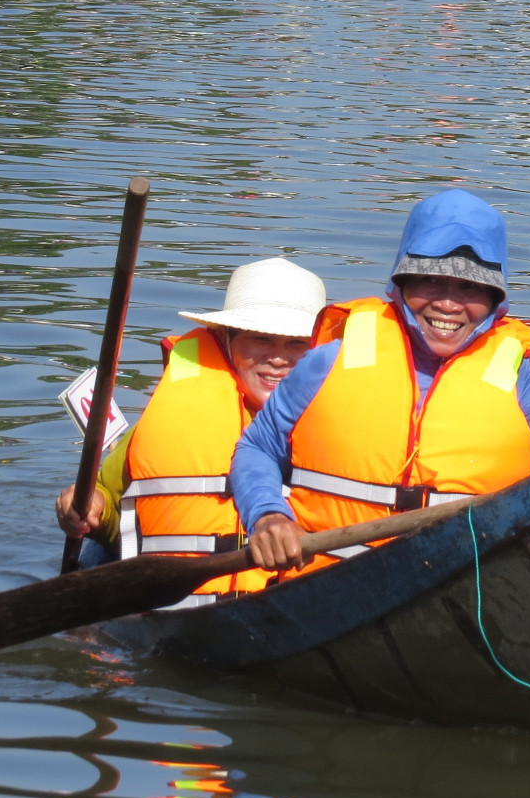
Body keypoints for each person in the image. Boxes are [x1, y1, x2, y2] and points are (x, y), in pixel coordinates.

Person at [233, 190, 530, 574]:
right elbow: (257, 448)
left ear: (494, 298)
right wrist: (268, 515)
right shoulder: (329, 359)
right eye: (430, 281)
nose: (448, 305)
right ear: (401, 283)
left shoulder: (525, 376)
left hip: (462, 585)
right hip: (323, 583)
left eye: (469, 287)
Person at [57, 258, 328, 603]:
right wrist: (87, 508)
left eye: (296, 343)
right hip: (179, 609)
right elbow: (112, 513)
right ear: (225, 339)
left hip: (295, 600)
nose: (278, 358)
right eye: (261, 339)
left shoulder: (339, 427)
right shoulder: (166, 423)